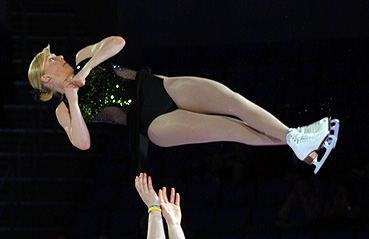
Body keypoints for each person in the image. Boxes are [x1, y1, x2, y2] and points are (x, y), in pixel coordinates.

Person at [28, 36, 337, 175]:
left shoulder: (82, 57)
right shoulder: (63, 110)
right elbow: (82, 143)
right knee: (231, 128)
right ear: (46, 78)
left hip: (161, 86)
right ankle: (296, 140)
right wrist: (71, 96)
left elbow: (117, 42)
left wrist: (85, 71)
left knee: (231, 100)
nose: (61, 57)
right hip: (153, 122)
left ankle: (297, 142)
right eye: (53, 59)